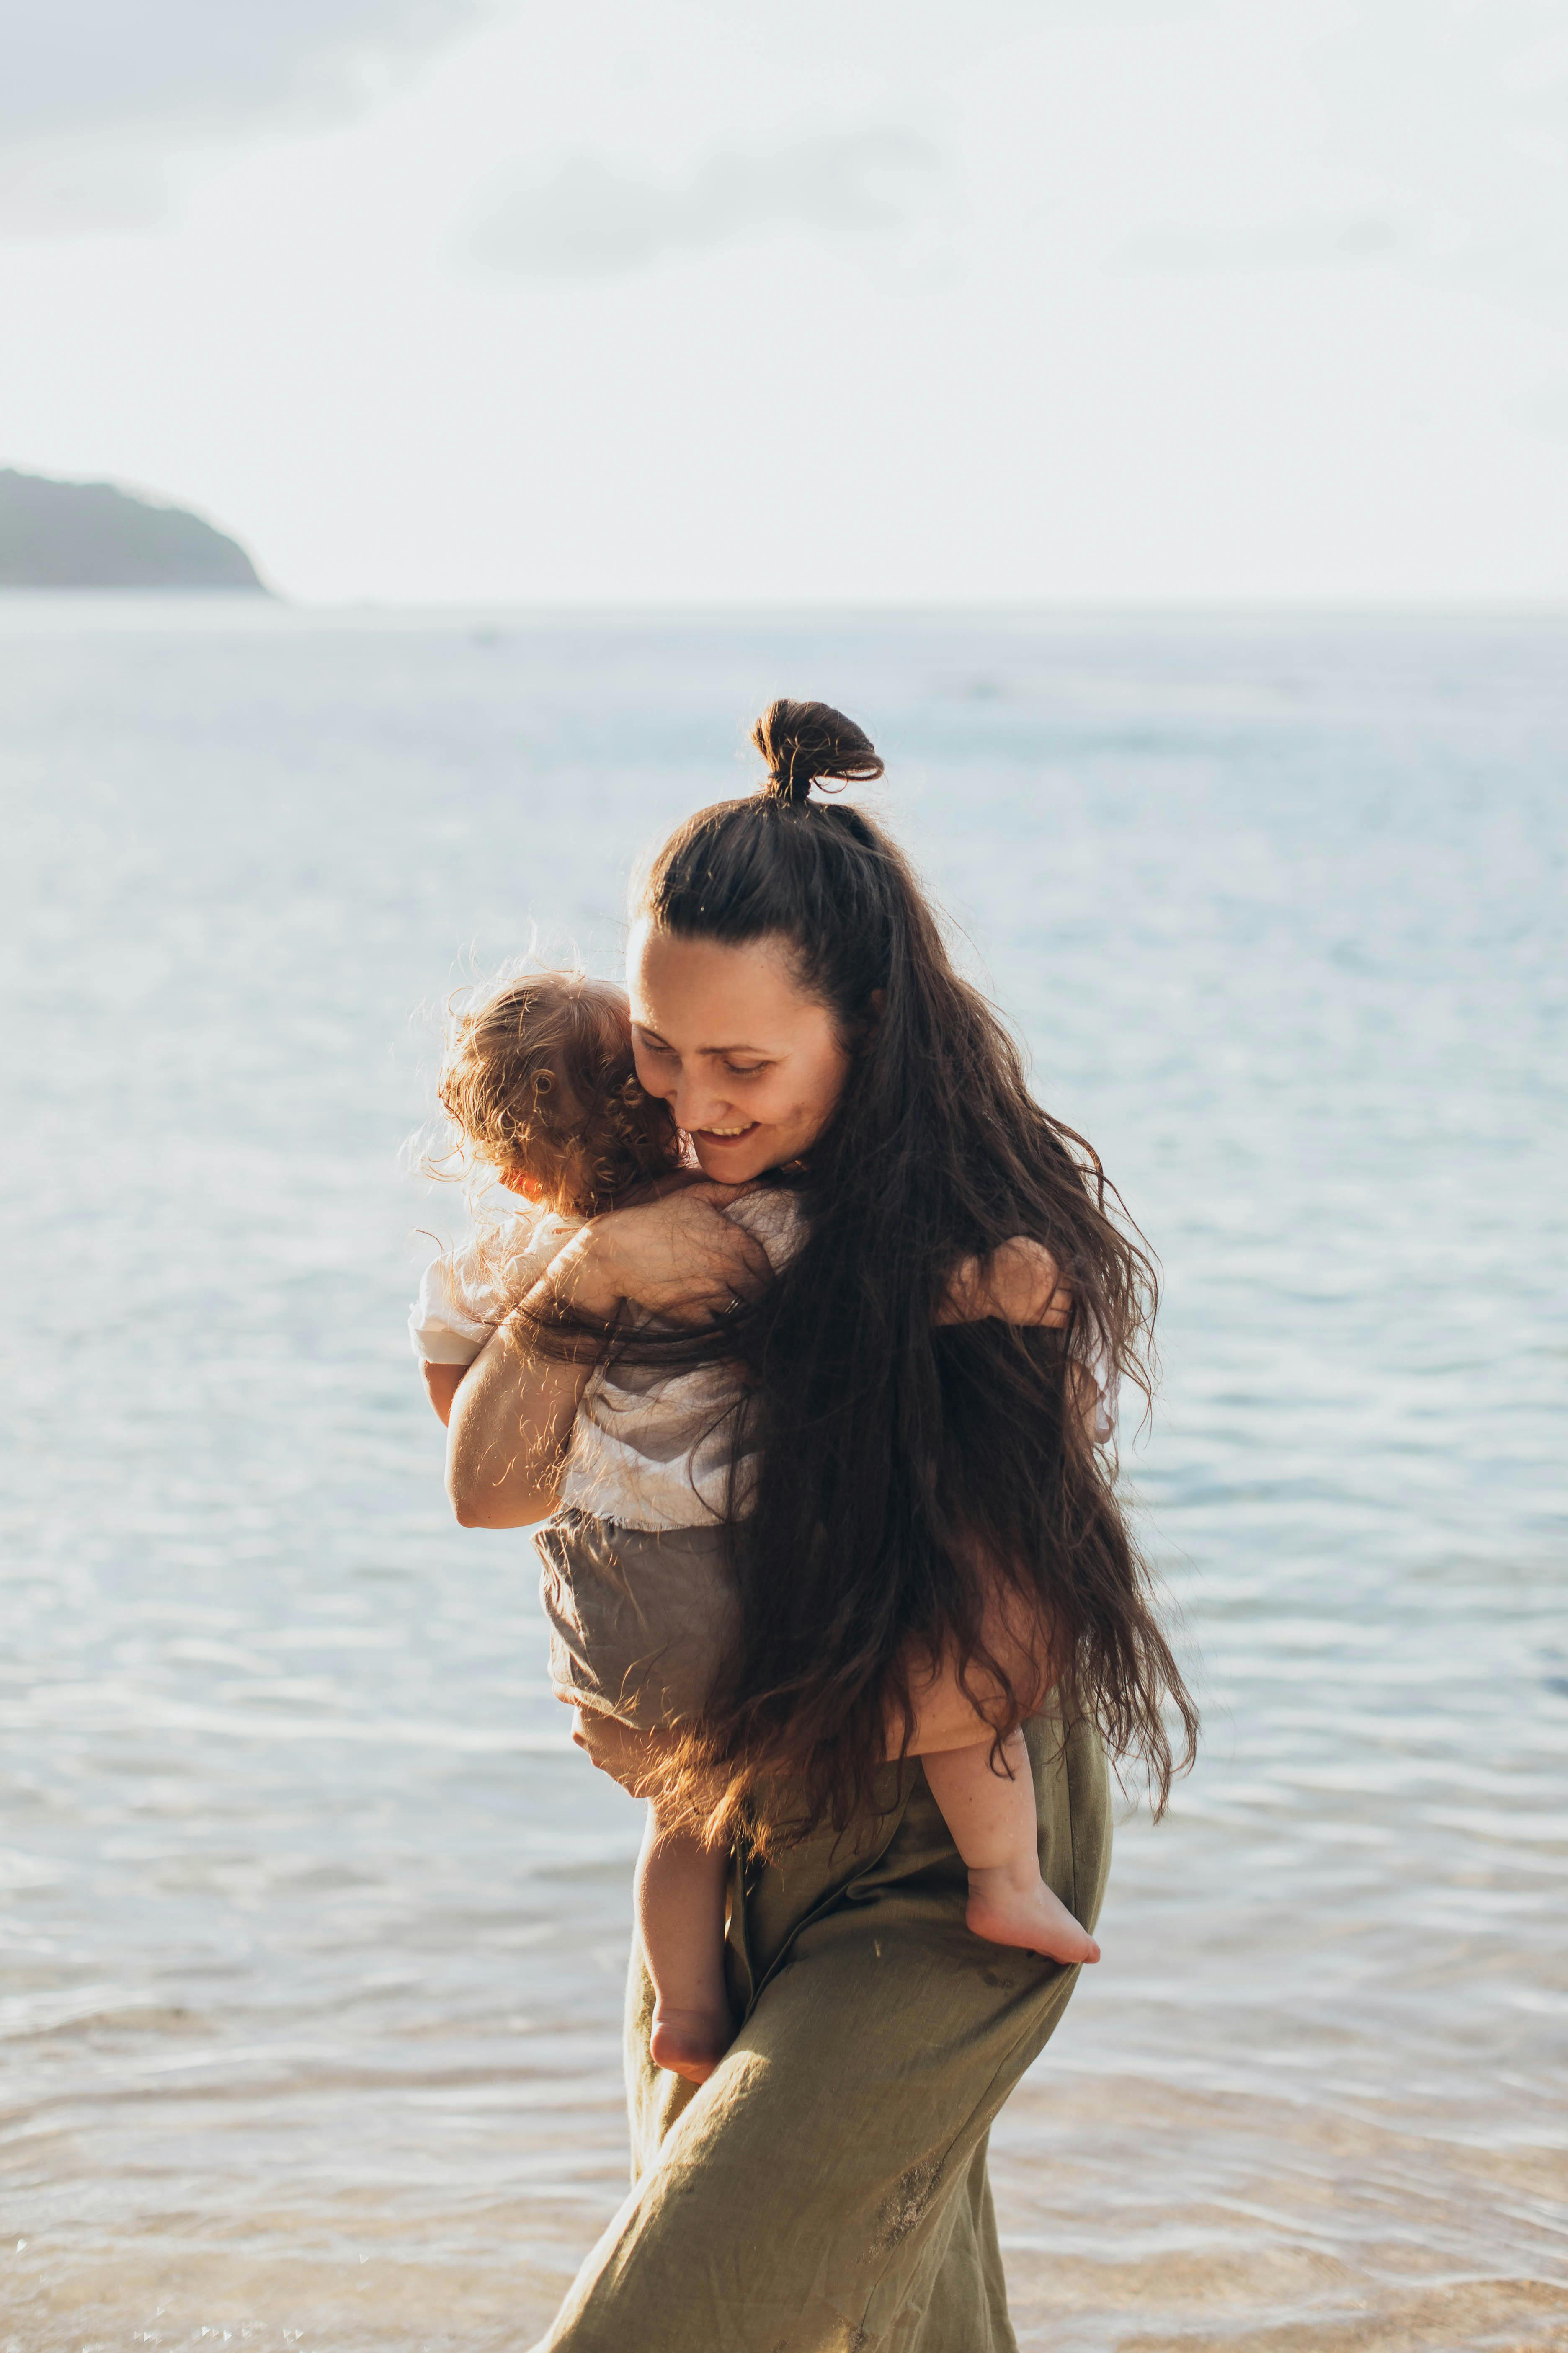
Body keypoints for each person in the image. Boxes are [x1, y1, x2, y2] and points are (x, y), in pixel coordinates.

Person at [445, 699, 1197, 2352]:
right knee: (898, 2323)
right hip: (731, 1846)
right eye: (659, 1047)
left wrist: (757, 1714)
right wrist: (587, 1280)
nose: (690, 1107)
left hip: (942, 1840)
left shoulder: (976, 1229)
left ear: (866, 1028)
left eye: (743, 1066)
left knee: (677, 2310)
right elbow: (494, 1489)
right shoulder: (644, 1220)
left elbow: (1025, 1598)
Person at [412, 970, 1105, 2089]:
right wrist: (988, 1285)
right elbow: (876, 1298)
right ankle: (1008, 1880)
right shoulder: (752, 1218)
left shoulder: (499, 1267)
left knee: (683, 1819)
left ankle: (688, 2012)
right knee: (967, 1719)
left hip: (614, 1623)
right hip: (747, 1588)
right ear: (663, 1096)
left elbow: (474, 1436)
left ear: (516, 1172)